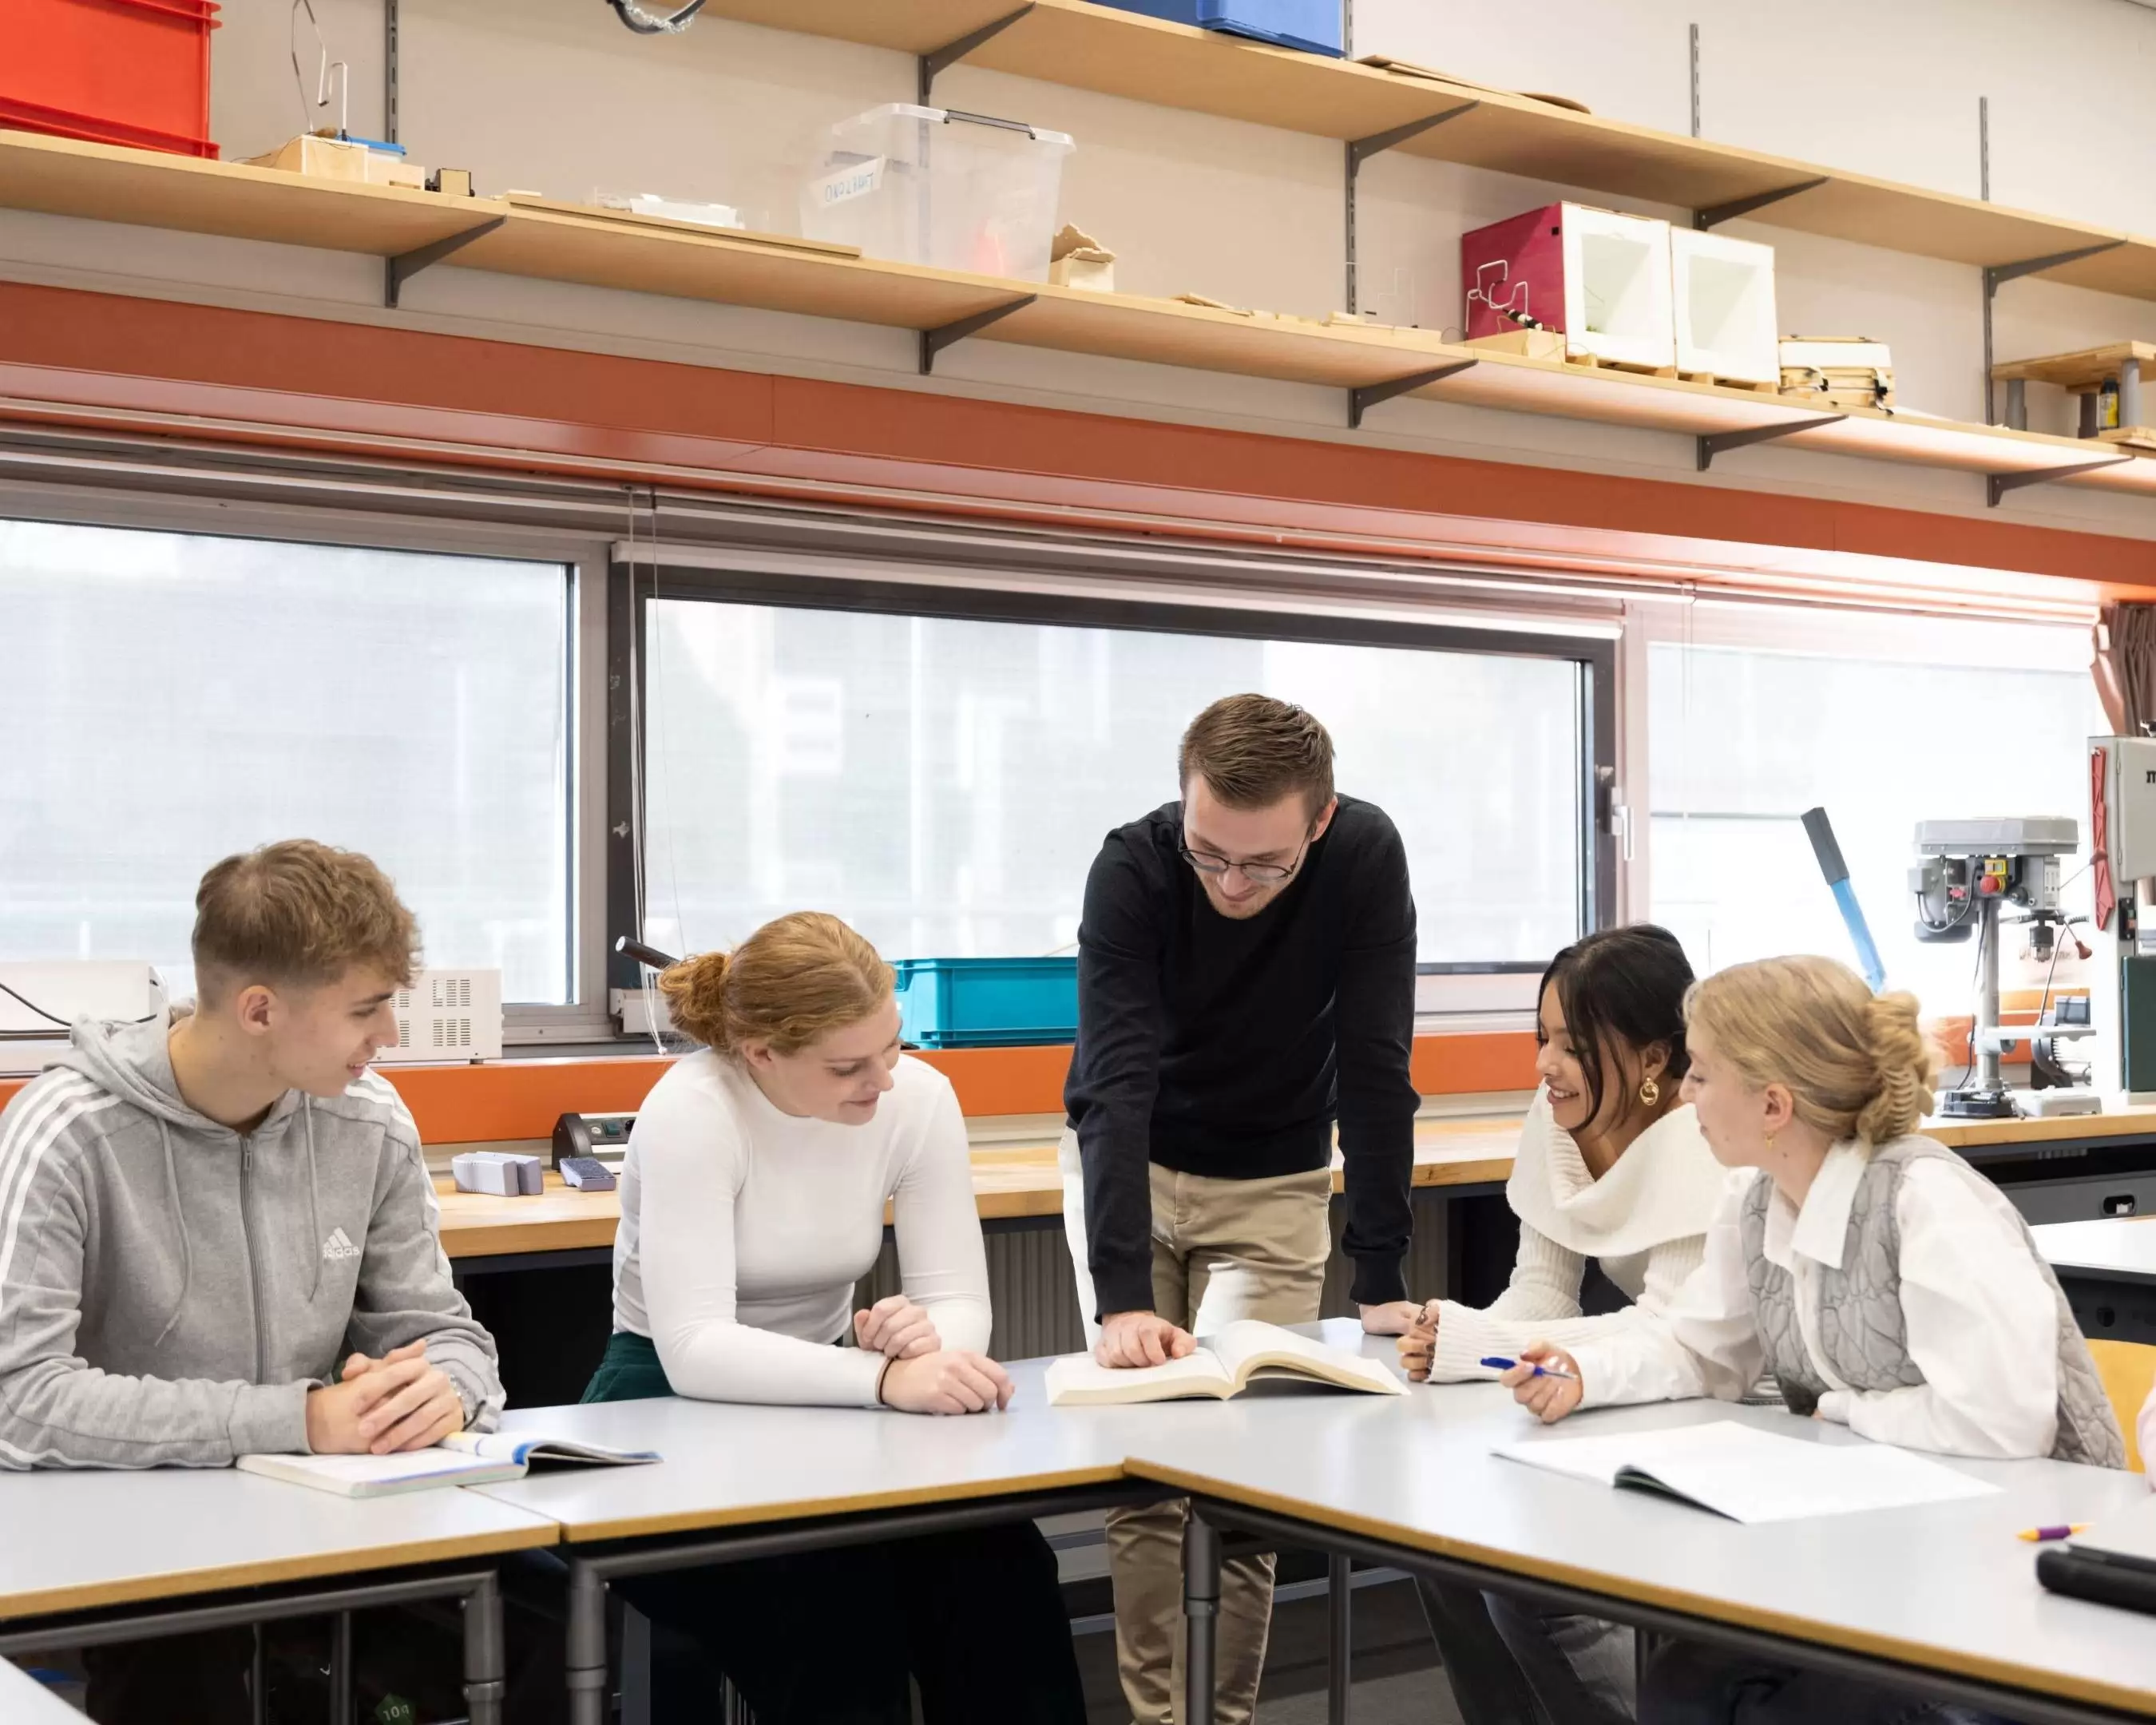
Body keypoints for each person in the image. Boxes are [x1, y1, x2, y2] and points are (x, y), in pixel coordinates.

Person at [1501, 954, 2124, 1724]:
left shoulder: (1927, 1204)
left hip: (2015, 1566)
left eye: (1700, 1074)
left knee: (1789, 1705)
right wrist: (1584, 1373)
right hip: (1887, 1548)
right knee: (1684, 1682)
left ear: (1772, 1105)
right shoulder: (1756, 1201)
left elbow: (2001, 1420)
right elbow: (1700, 1348)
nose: (1686, 1095)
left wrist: (1847, 1413)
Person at [0, 840, 504, 1725]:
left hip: (324, 1514)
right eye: (366, 1010)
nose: (388, 1037)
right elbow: (19, 1400)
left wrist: (444, 1395)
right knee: (187, 1674)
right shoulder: (68, 1130)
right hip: (131, 1530)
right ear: (261, 1009)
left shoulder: (370, 1117)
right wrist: (298, 1418)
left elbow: (447, 1333)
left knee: (512, 1626)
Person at [583, 910, 1085, 1725]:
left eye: (891, 1046)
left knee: (1001, 1569)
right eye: (849, 1065)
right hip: (665, 1413)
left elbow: (957, 1299)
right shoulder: (693, 1110)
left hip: (835, 1402)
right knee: (834, 1618)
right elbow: (695, 1350)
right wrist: (886, 1378)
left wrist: (929, 1351)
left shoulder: (917, 1098)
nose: (883, 1079)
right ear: (762, 1055)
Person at [1060, 693, 1420, 1725]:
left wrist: (1382, 1275)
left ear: (1320, 820)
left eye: (1264, 864)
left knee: (1243, 1465)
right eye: (1208, 850)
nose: (1229, 883)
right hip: (1131, 1156)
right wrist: (1124, 1296)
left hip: (1273, 1174)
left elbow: (1378, 1063)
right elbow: (1115, 1083)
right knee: (1146, 1463)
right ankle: (1157, 1721)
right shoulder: (1131, 869)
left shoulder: (1363, 860)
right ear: (1185, 803)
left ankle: (1223, 1722)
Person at [1398, 924, 1723, 1725]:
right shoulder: (1558, 1121)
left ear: (1654, 1058)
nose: (1546, 1065)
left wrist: (1480, 1346)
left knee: (1538, 1595)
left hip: (1732, 1404)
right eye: (1542, 1037)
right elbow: (1541, 1294)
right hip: (1645, 1388)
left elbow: (1676, 1333)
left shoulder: (1707, 1133)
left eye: (1572, 1046)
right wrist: (1458, 1341)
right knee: (1436, 1546)